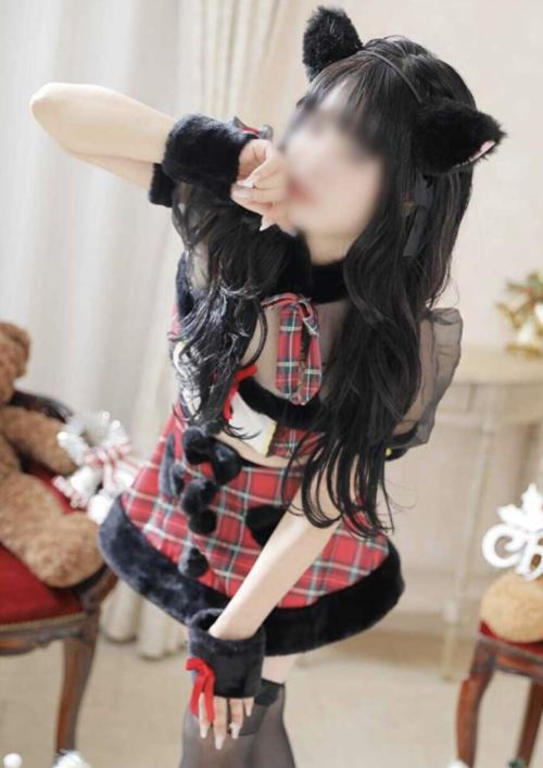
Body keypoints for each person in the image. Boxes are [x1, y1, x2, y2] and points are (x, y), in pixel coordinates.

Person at [30, 5, 507, 766]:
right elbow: (54, 109)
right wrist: (236, 154)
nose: (311, 150)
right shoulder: (227, 215)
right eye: (311, 117)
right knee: (244, 718)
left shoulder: (392, 335)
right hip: (193, 510)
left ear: (405, 190)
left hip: (285, 548)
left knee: (227, 720)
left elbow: (324, 500)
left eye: (352, 145)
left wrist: (231, 634)